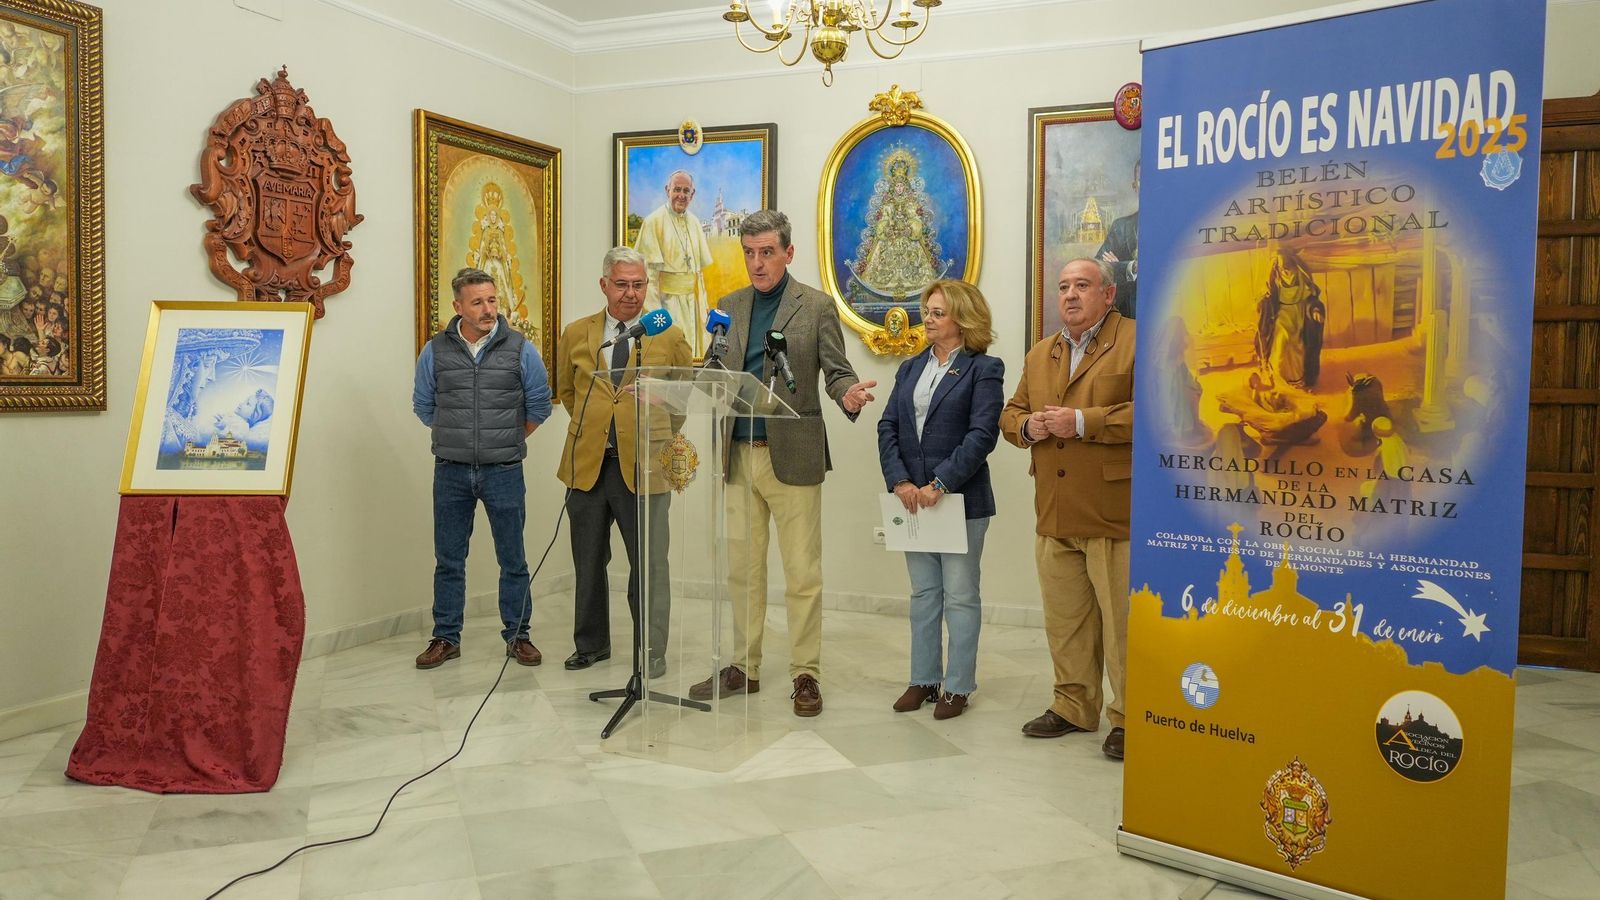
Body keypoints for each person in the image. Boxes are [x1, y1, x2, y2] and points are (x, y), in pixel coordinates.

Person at [689, 209, 876, 717]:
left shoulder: (814, 306)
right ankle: (744, 668)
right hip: (737, 456)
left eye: (766, 252)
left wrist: (849, 395)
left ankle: (805, 673)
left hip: (791, 454)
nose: (756, 262)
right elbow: (715, 367)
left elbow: (836, 371)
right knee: (743, 571)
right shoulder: (729, 305)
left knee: (801, 573)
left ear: (788, 253)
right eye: (749, 253)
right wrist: (691, 376)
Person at [999, 258, 1135, 761]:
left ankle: (1128, 717)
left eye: (1082, 285)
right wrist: (1026, 428)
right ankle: (1074, 706)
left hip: (1111, 512)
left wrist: (1082, 421)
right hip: (1053, 512)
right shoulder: (1042, 353)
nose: (1071, 295)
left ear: (1108, 293)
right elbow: (1010, 414)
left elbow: (1159, 413)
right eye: (1063, 287)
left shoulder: (1136, 341)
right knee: (1066, 621)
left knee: (1122, 625)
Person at [554, 247, 691, 677]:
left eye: (638, 284)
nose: (631, 294)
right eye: (622, 284)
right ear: (604, 286)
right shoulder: (577, 333)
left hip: (646, 465)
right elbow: (569, 393)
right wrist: (599, 424)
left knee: (650, 565)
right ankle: (591, 644)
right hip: (588, 465)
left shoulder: (668, 336)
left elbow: (682, 398)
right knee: (588, 560)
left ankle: (651, 650)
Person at [412, 267, 553, 670]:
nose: (489, 308)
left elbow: (539, 404)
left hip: (504, 470)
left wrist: (505, 438)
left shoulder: (520, 348)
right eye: (478, 302)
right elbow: (424, 405)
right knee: (449, 559)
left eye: (492, 299)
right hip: (451, 471)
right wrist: (461, 436)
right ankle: (446, 637)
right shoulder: (435, 350)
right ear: (458, 307)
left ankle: (518, 636)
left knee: (513, 558)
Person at [877, 280, 1004, 720]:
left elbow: (982, 436)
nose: (926, 319)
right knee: (924, 594)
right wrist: (900, 482)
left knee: (961, 595)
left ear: (962, 319)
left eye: (936, 313)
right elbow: (887, 426)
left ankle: (957, 686)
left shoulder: (984, 368)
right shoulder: (911, 368)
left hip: (960, 502)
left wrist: (940, 484)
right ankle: (924, 679)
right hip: (911, 501)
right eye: (925, 311)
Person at [634, 170, 715, 358]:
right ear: (667, 190)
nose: (681, 195)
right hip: (667, 304)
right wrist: (656, 315)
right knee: (672, 355)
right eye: (677, 189)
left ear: (692, 195)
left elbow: (699, 274)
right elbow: (649, 277)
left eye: (686, 191)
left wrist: (703, 306)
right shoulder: (653, 221)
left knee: (695, 355)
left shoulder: (694, 223)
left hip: (692, 304)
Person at [1254, 245, 1325, 389]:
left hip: (1300, 314)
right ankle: (1279, 378)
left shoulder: (1300, 276)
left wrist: (1315, 310)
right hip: (1282, 313)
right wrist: (1263, 300)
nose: (1283, 268)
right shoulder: (1275, 277)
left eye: (1285, 264)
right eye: (1280, 265)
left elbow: (1312, 298)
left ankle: (1297, 380)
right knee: (1281, 341)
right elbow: (1268, 296)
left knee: (1297, 345)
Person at [1097, 159, 1140, 320]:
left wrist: (1117, 265)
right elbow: (1098, 268)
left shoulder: (1178, 224)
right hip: (1126, 316)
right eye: (1143, 180)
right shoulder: (1121, 227)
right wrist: (1131, 267)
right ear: (1134, 186)